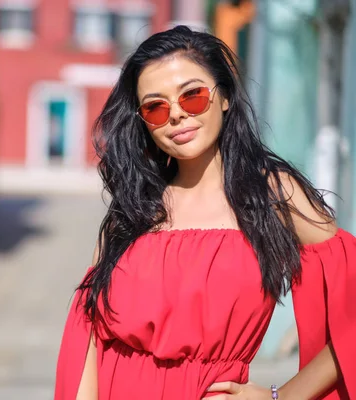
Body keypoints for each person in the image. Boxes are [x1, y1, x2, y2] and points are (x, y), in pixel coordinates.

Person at [54, 26, 355, 400]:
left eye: (192, 96)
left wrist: (284, 397)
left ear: (224, 95)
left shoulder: (273, 194)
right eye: (156, 107)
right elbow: (88, 334)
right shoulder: (132, 209)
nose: (176, 115)